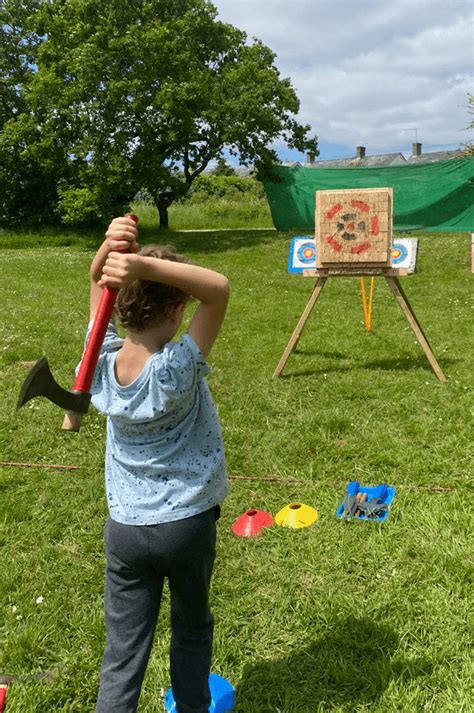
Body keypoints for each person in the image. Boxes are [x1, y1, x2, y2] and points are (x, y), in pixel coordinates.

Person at [84, 215, 230, 713]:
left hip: (124, 528)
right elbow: (218, 289)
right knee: (191, 628)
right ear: (174, 308)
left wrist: (110, 250)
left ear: (118, 307)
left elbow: (95, 281)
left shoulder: (100, 359)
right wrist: (142, 261)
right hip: (186, 525)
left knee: (124, 646)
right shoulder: (178, 366)